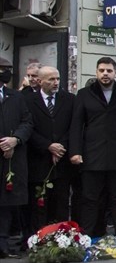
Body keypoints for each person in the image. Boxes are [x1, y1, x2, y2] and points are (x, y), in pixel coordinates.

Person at [69, 57, 116, 243]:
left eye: (109, 70)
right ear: (96, 72)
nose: (105, 74)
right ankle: (89, 237)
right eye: (101, 70)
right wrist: (75, 151)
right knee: (91, 199)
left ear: (115, 72)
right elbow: (76, 125)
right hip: (93, 156)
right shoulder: (85, 94)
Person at [23, 66, 74, 232]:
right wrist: (48, 146)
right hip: (39, 161)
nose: (56, 83)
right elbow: (28, 128)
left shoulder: (69, 99)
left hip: (62, 161)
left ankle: (61, 238)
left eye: (57, 79)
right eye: (51, 79)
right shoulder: (28, 101)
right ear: (39, 81)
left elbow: (73, 127)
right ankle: (37, 238)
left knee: (61, 203)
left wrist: (60, 148)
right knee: (39, 204)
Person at [0, 58, 33, 257]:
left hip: (11, 159)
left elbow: (27, 122)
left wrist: (15, 140)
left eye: (7, 70)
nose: (5, 73)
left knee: (7, 202)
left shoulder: (15, 96)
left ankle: (3, 242)